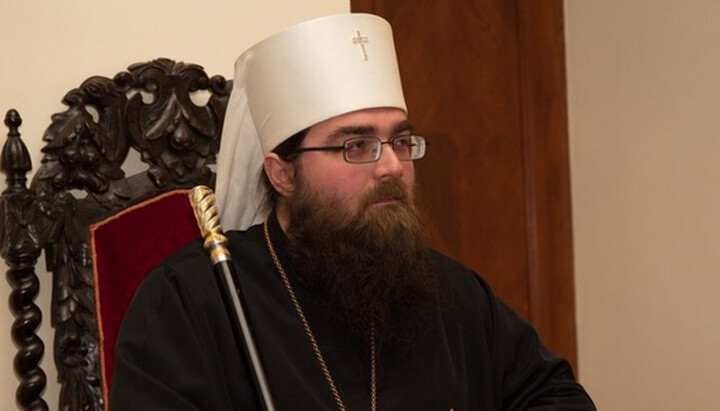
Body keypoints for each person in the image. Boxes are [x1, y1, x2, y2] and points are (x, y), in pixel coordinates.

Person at [109, 13, 595, 410]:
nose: (391, 166)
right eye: (356, 145)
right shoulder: (194, 300)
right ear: (282, 174)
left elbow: (558, 398)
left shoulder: (453, 293)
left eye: (400, 141)